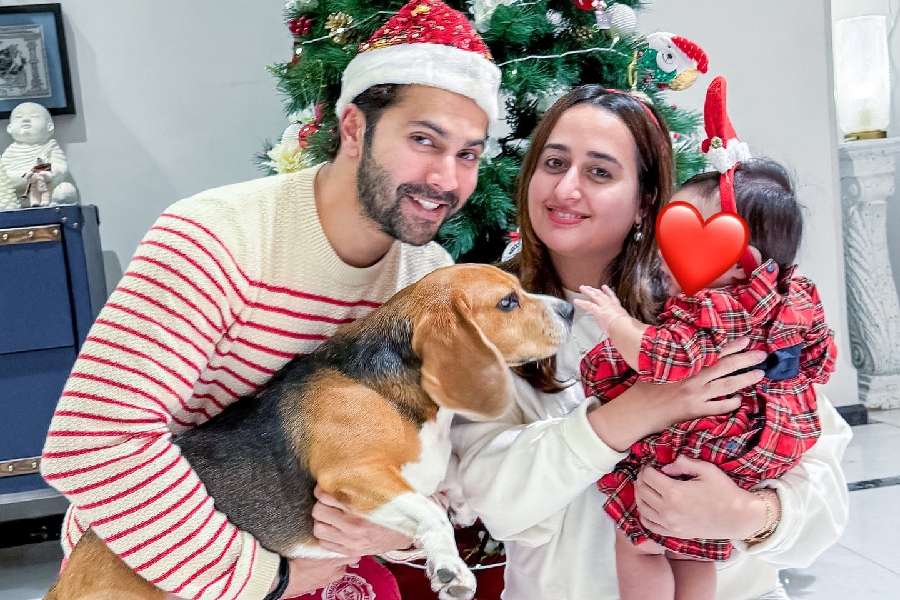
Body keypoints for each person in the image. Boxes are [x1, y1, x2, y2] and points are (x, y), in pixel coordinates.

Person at [39, 1, 501, 598]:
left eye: (468, 153)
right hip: (156, 565)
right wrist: (264, 578)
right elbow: (94, 443)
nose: (446, 178)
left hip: (314, 559)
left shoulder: (429, 279)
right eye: (423, 140)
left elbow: (434, 457)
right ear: (355, 128)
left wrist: (393, 533)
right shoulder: (214, 239)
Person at [450, 84, 852, 600]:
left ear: (645, 204)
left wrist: (751, 515)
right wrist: (638, 411)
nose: (566, 188)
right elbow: (496, 501)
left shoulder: (721, 308)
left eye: (599, 172)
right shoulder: (482, 321)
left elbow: (823, 483)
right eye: (553, 163)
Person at [575, 77, 837, 600]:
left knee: (640, 542)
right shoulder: (788, 300)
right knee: (694, 550)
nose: (671, 256)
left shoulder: (709, 312)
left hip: (696, 448)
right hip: (751, 446)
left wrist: (615, 321)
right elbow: (819, 361)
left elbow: (663, 356)